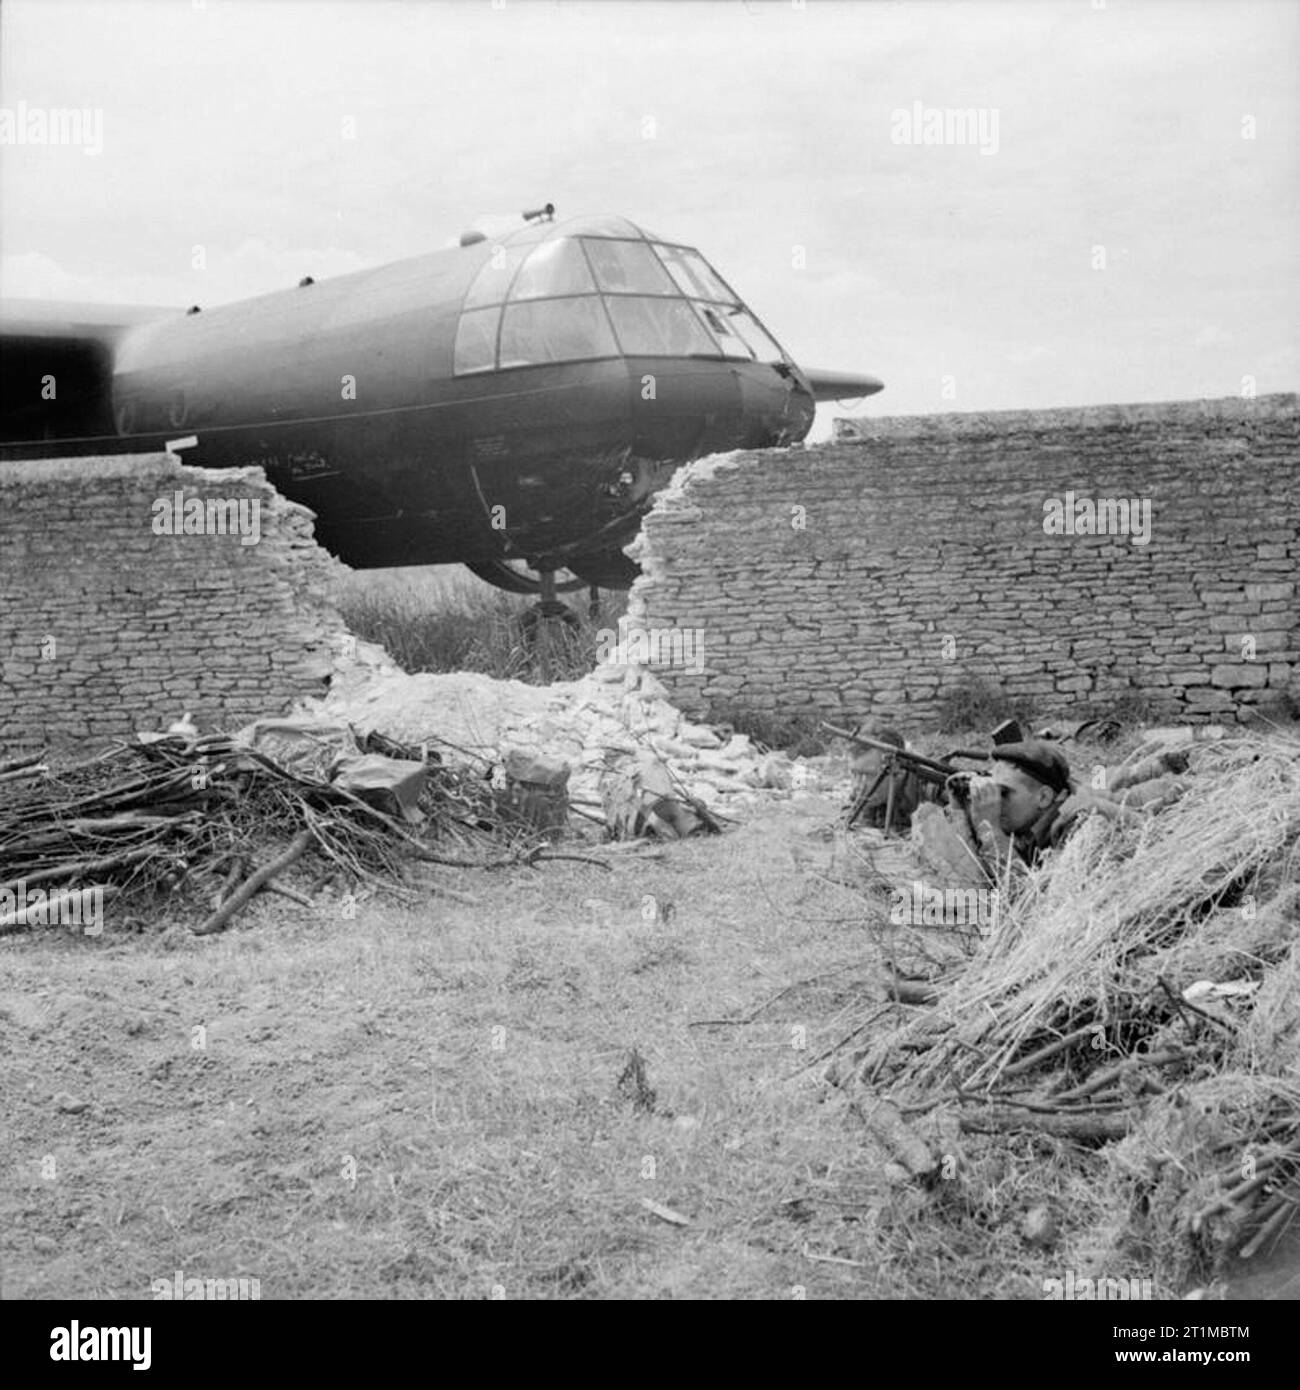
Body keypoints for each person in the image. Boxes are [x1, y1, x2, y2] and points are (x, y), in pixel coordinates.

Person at [966, 739, 1136, 873]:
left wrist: (990, 831)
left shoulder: (1083, 823)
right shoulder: (1034, 820)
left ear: (1043, 797)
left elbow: (1036, 902)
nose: (995, 802)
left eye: (1004, 793)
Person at [846, 727, 934, 832]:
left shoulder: (929, 785)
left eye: (868, 775)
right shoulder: (863, 788)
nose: (856, 785)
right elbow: (847, 818)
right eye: (854, 774)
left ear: (899, 771)